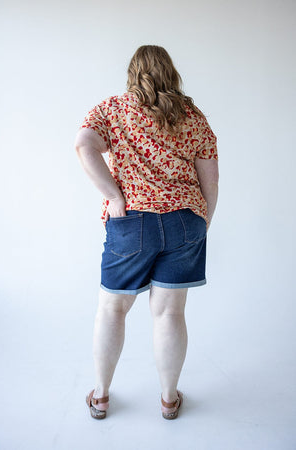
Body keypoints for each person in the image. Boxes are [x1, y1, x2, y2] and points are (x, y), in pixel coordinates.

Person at [74, 45, 219, 420]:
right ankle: (169, 399)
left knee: (112, 309)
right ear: (170, 71)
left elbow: (83, 144)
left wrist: (114, 197)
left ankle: (102, 396)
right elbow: (210, 177)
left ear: (133, 72)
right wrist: (204, 220)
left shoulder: (114, 109)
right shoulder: (192, 116)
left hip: (131, 221)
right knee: (170, 314)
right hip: (185, 221)